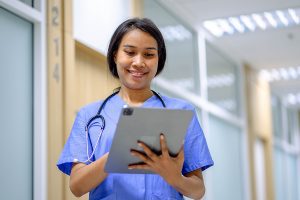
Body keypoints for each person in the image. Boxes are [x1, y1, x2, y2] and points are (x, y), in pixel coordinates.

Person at [57, 18, 213, 200]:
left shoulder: (181, 112)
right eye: (130, 52)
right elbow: (77, 187)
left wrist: (175, 178)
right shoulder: (89, 115)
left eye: (148, 54)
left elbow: (198, 191)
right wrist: (116, 156)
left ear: (158, 59)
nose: (139, 62)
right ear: (115, 54)